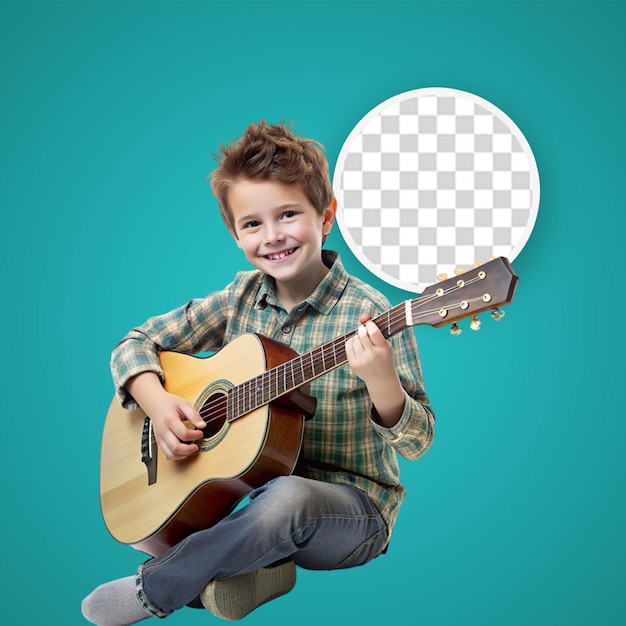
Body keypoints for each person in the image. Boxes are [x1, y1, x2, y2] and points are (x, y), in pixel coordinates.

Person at [82, 121, 435, 625]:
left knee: (286, 498)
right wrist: (158, 403)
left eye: (288, 214)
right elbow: (133, 344)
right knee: (268, 503)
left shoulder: (370, 311)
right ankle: (256, 565)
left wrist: (383, 382)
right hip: (244, 507)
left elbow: (419, 442)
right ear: (234, 233)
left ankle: (155, 589)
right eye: (252, 224)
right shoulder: (238, 299)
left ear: (326, 216)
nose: (272, 237)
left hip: (353, 514)